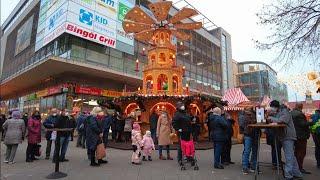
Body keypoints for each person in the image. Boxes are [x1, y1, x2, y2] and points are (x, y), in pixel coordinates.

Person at [267, 100, 302, 180]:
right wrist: (271, 117)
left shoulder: (285, 111)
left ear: (275, 107)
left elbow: (282, 120)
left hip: (288, 136)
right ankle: (297, 173)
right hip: (284, 136)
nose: (272, 109)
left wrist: (271, 118)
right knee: (291, 156)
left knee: (289, 156)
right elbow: (278, 119)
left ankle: (288, 175)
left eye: (272, 107)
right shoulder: (279, 112)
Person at [291, 103, 313, 174]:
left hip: (294, 135)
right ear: (301, 106)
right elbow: (303, 124)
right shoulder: (299, 114)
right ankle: (299, 168)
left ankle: (296, 168)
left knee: (296, 152)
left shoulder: (291, 113)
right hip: (301, 136)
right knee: (301, 153)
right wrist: (310, 122)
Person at [240, 108, 259, 175]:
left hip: (253, 134)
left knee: (252, 151)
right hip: (248, 134)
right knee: (248, 151)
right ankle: (246, 167)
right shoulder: (244, 116)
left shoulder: (256, 114)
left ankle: (252, 166)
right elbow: (243, 124)